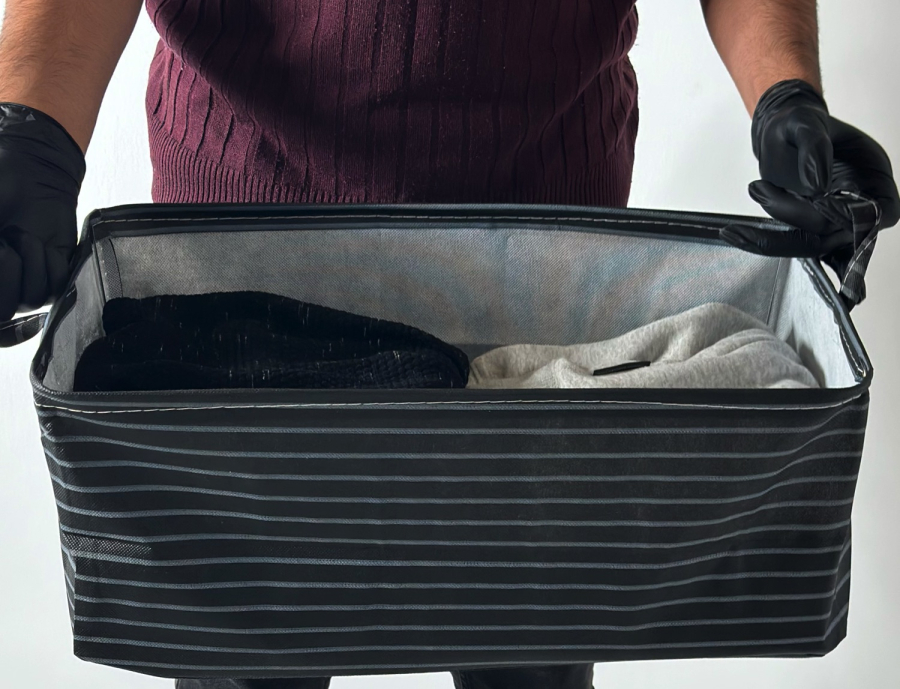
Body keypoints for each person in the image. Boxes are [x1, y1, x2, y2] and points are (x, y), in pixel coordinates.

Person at [0, 1, 897, 687]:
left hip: (548, 255)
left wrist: (785, 96)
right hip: (241, 253)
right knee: (245, 656)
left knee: (530, 653)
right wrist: (32, 135)